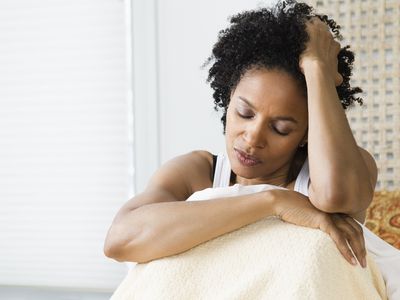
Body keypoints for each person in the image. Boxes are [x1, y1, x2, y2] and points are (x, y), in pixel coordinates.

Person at [104, 0, 375, 271]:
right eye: (245, 113)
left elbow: (335, 196)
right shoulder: (196, 173)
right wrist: (273, 201)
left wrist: (318, 69)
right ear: (228, 97)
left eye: (280, 128)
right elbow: (119, 240)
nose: (253, 137)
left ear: (307, 133)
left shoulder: (343, 171)